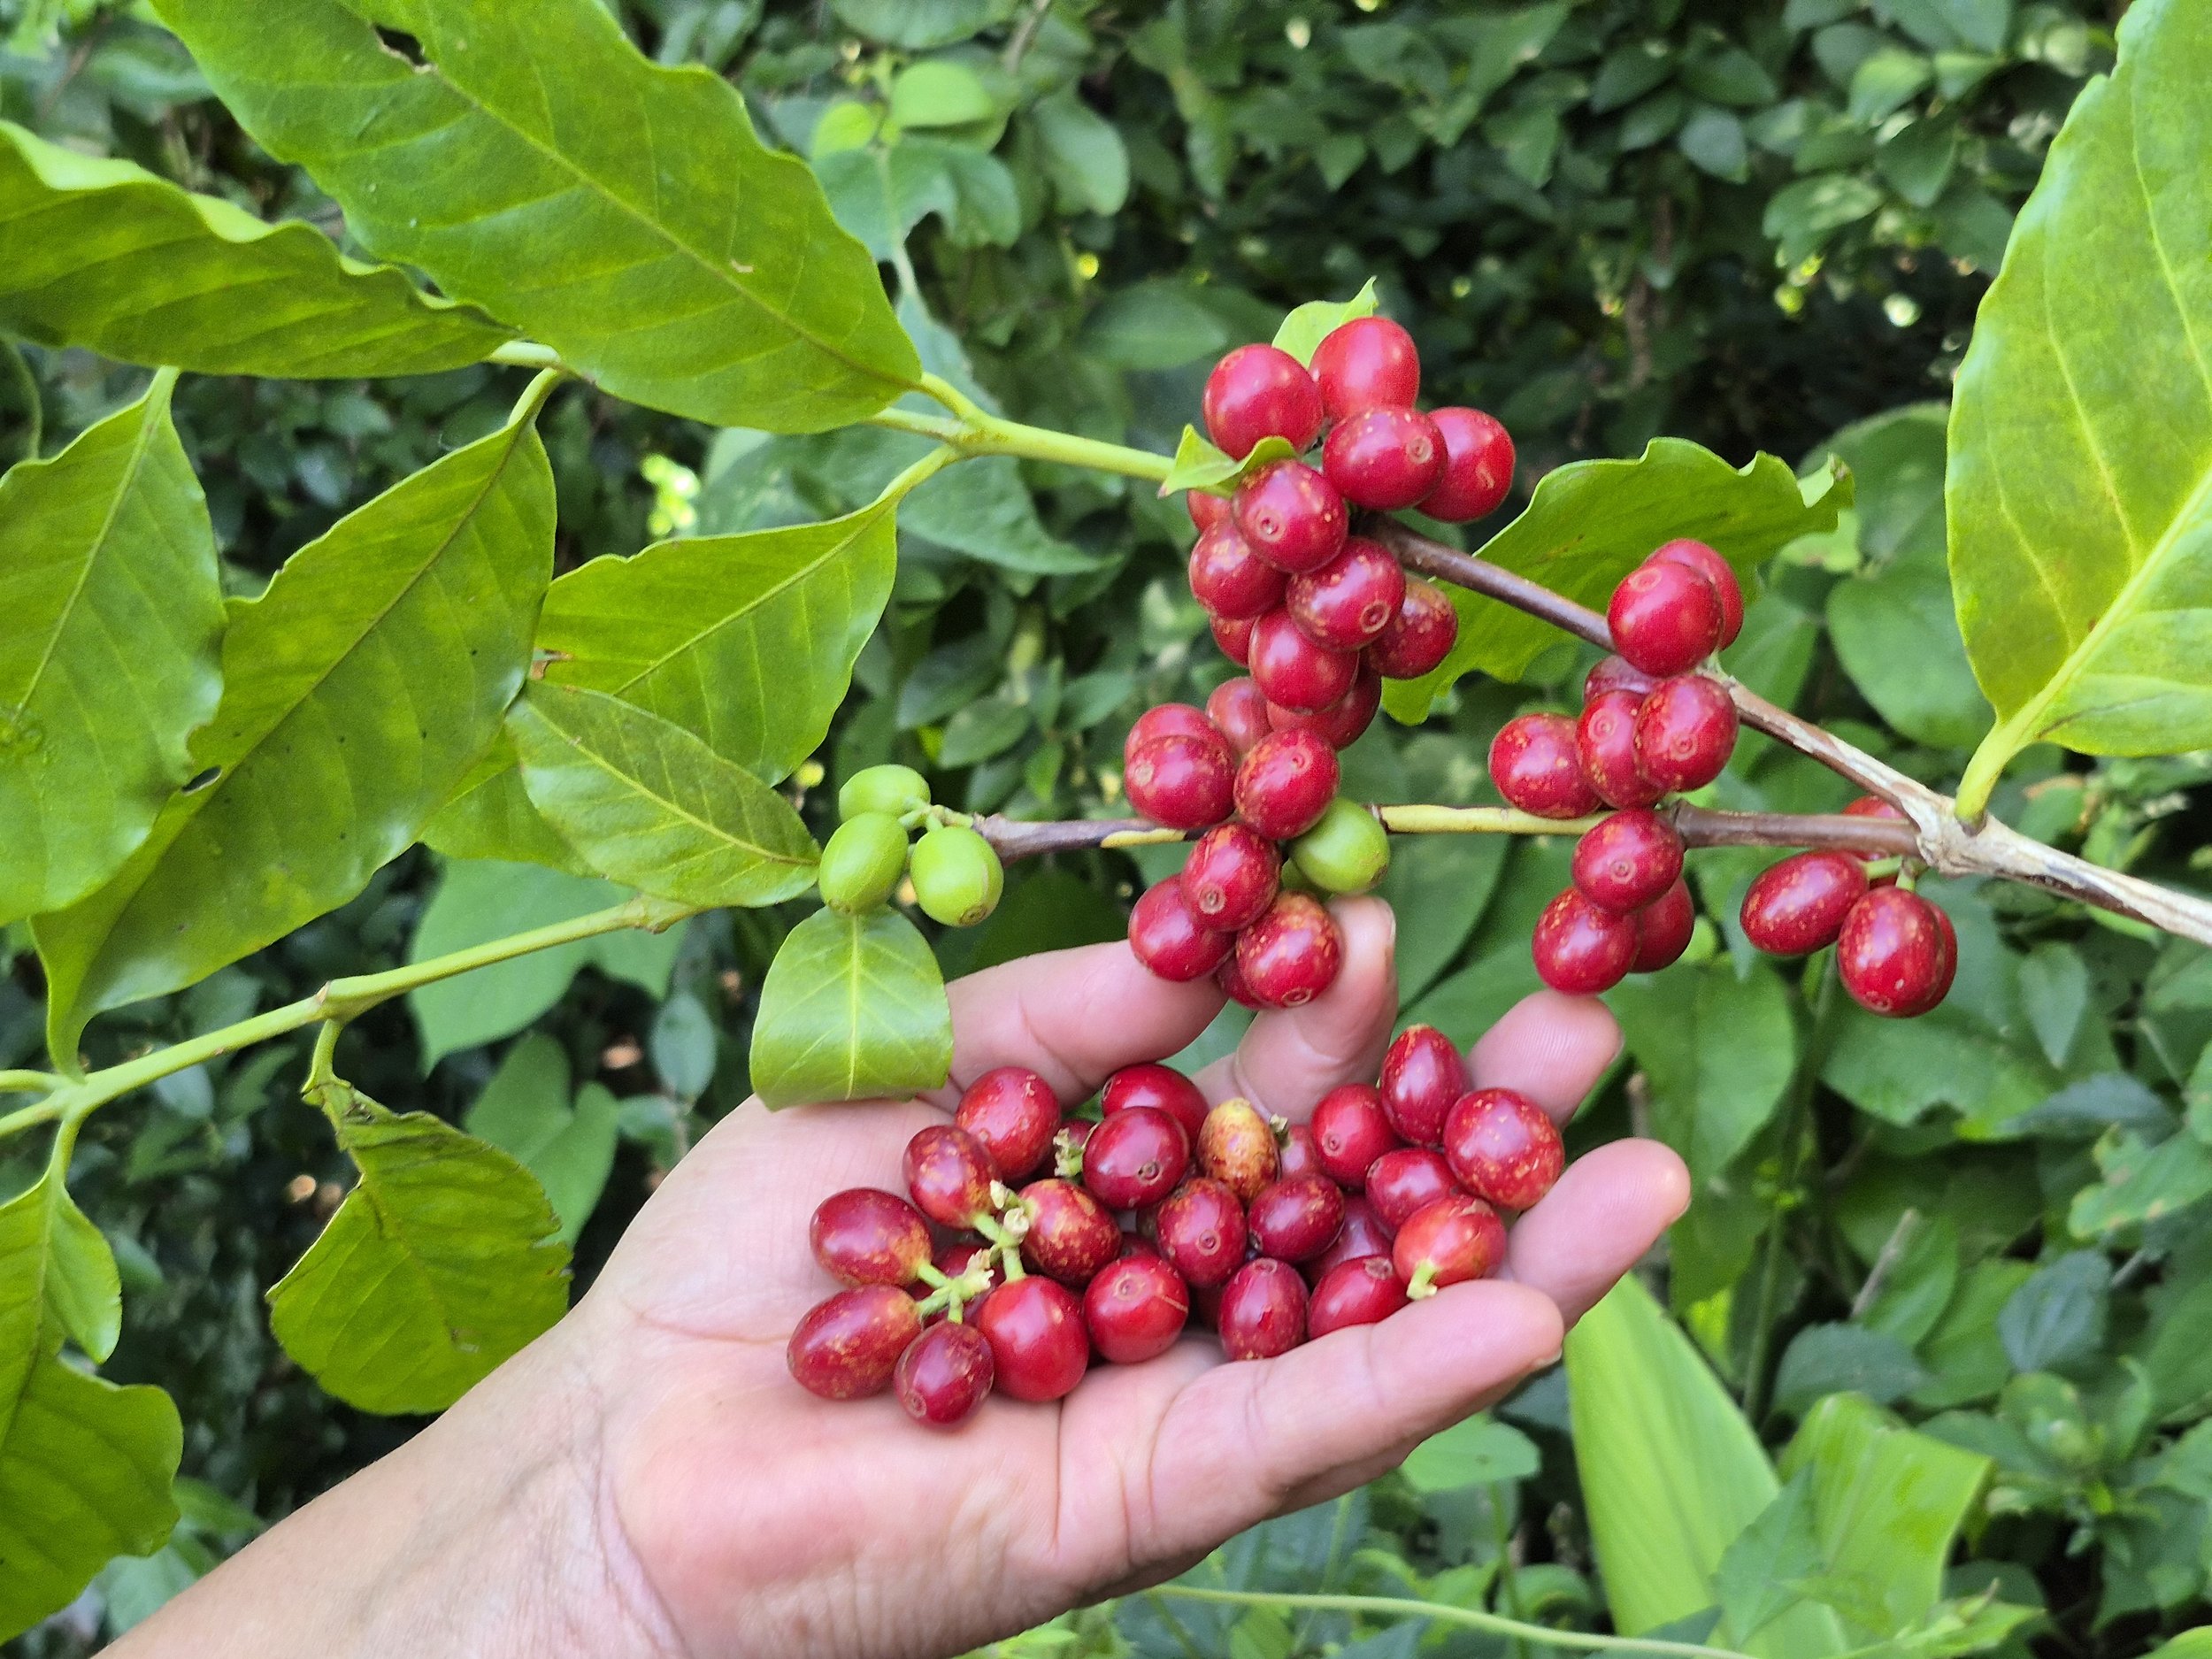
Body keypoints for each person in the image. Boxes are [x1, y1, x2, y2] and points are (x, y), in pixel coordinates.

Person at [112, 897, 1688, 1659]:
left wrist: (598, 1542)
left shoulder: (1161, 1202)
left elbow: (1200, 1218)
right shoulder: (1011, 1241)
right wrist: (602, 1535)